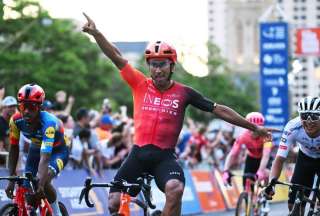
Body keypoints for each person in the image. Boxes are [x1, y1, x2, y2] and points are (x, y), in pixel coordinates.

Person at [82, 13, 271, 216]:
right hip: (138, 154)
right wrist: (96, 33)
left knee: (176, 189)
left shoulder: (184, 93)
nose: (157, 69)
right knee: (114, 203)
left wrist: (253, 127)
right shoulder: (139, 84)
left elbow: (220, 110)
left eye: (162, 64)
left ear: (172, 65)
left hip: (164, 157)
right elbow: (116, 57)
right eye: (153, 64)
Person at [5, 84, 69, 216]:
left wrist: (40, 182)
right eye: (23, 106)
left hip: (57, 151)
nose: (27, 111)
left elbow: (45, 157)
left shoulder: (49, 123)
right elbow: (14, 149)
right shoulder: (15, 121)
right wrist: (11, 179)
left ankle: (57, 213)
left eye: (32, 107)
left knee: (43, 182)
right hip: (36, 148)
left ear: (39, 107)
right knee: (27, 188)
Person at [266, 96, 320, 214]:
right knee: (293, 203)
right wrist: (271, 183)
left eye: (315, 116)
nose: (309, 121)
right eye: (304, 116)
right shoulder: (292, 127)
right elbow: (279, 159)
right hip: (305, 158)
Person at [222, 112, 273, 187]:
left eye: (257, 128)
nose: (254, 132)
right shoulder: (243, 136)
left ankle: (266, 192)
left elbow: (266, 155)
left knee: (267, 173)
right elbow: (233, 154)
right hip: (251, 158)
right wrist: (226, 170)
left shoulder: (267, 136)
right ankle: (248, 196)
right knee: (245, 183)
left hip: (264, 159)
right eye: (251, 128)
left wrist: (261, 171)